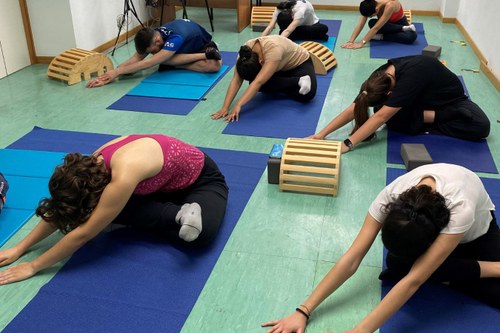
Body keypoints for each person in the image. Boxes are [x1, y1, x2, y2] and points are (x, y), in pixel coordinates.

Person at [263, 163, 500, 333]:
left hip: (476, 237)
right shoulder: (390, 198)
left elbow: (414, 281)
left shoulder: (460, 209)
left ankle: (494, 268)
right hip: (430, 232)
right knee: (397, 265)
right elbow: (353, 257)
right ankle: (452, 272)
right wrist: (303, 310)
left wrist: (360, 330)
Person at [0, 135, 228, 285]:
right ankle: (176, 213)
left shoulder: (122, 174)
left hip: (202, 181)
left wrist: (33, 266)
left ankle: (181, 214)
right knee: (94, 214)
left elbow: (83, 233)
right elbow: (61, 207)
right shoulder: (90, 167)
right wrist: (20, 248)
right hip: (160, 188)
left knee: (200, 235)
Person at [309, 55, 490, 153]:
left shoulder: (409, 79)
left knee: (481, 126)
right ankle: (433, 119)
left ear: (390, 94)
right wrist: (321, 134)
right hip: (417, 102)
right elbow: (354, 107)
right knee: (388, 115)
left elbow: (381, 116)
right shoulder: (379, 77)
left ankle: (436, 119)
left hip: (449, 103)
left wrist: (348, 144)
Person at [86, 19, 222, 88]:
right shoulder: (153, 35)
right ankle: (170, 62)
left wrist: (205, 54)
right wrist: (112, 73)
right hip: (183, 52)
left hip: (201, 45)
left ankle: (170, 62)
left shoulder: (175, 38)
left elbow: (148, 62)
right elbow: (136, 59)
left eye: (152, 51)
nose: (151, 53)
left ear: (157, 42)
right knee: (157, 60)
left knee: (215, 65)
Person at [211, 35, 317, 122]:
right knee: (256, 84)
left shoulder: (273, 50)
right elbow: (236, 80)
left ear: (261, 62)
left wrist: (239, 105)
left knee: (307, 94)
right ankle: (291, 83)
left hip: (298, 64)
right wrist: (225, 107)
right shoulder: (244, 55)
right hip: (278, 69)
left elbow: (259, 81)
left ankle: (299, 80)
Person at [342, 0, 417, 49]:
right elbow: (360, 24)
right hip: (387, 25)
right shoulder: (368, 3)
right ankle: (402, 29)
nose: (371, 17)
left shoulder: (390, 5)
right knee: (371, 23)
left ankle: (382, 36)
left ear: (376, 9)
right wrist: (351, 41)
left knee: (411, 37)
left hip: (399, 22)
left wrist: (361, 43)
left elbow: (376, 28)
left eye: (371, 16)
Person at [261, 0, 329, 42]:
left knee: (324, 28)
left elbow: (288, 31)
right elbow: (270, 27)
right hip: (293, 28)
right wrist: (259, 40)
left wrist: (278, 42)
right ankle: (297, 35)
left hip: (311, 25)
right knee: (283, 32)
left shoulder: (300, 9)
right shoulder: (280, 8)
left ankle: (294, 35)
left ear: (291, 13)